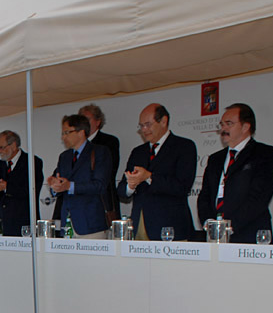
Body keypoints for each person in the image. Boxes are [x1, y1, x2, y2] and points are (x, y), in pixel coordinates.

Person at [196, 103, 273, 244]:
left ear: (246, 127)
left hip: (249, 235)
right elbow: (205, 195)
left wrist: (228, 227)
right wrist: (210, 224)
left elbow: (258, 199)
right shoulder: (215, 159)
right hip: (215, 237)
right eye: (222, 124)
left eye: (229, 124)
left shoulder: (264, 154)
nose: (223, 129)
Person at [117, 103, 197, 241]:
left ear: (164, 121)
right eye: (141, 126)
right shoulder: (138, 152)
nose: (144, 130)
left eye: (148, 124)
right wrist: (131, 185)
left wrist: (149, 177)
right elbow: (122, 191)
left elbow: (182, 187)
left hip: (170, 227)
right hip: (139, 226)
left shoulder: (184, 147)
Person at [47, 114, 112, 238]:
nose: (63, 137)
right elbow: (60, 182)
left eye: (67, 132)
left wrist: (69, 186)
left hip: (91, 223)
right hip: (67, 223)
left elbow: (100, 185)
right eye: (62, 133)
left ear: (81, 132)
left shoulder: (100, 152)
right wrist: (54, 186)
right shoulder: (64, 156)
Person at [0, 130, 44, 235]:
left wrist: (6, 187)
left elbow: (31, 190)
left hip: (23, 225)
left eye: (2, 147)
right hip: (0, 225)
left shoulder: (32, 162)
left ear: (13, 145)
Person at [73, 104, 121, 220]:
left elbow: (108, 172)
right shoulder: (74, 144)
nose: (83, 123)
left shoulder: (108, 142)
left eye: (87, 119)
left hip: (101, 202)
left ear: (98, 121)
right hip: (78, 204)